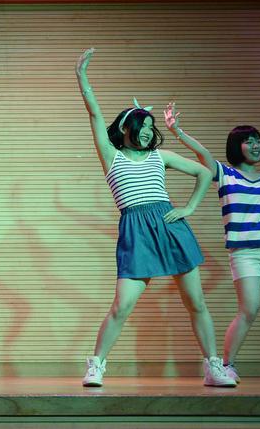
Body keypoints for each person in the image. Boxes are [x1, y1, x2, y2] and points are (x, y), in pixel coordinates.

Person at [75, 49, 235, 388]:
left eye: (151, 127)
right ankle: (96, 366)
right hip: (136, 229)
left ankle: (213, 367)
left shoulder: (160, 156)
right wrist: (82, 76)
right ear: (125, 128)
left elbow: (205, 173)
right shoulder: (111, 156)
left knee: (196, 302)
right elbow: (93, 113)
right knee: (121, 306)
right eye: (142, 126)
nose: (148, 132)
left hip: (169, 225)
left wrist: (190, 208)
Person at [166, 103, 260, 383]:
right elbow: (203, 156)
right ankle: (227, 365)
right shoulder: (226, 174)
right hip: (243, 251)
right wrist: (177, 131)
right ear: (236, 146)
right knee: (249, 309)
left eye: (258, 141)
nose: (256, 146)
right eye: (248, 141)